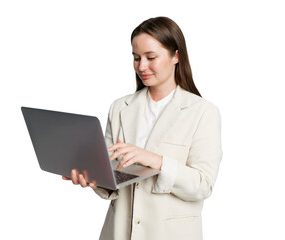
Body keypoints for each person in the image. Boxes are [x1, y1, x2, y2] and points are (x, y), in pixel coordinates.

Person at [63, 16, 222, 240]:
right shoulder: (120, 107)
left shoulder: (203, 112)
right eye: (136, 58)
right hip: (119, 232)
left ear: (176, 56)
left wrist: (155, 160)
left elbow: (202, 185)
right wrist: (93, 178)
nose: (142, 66)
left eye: (151, 57)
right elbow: (112, 175)